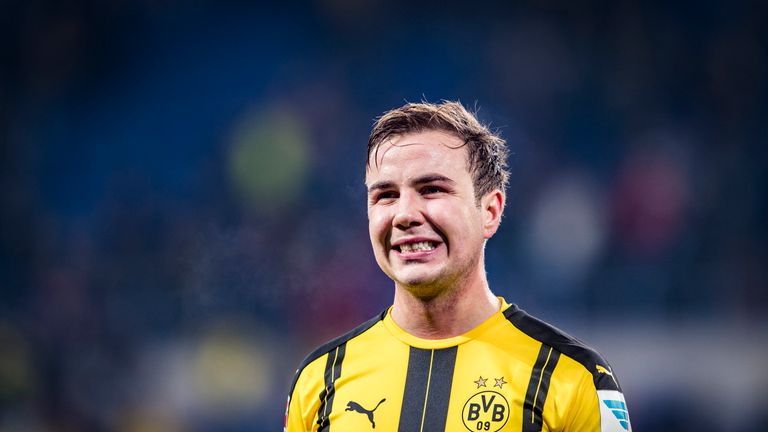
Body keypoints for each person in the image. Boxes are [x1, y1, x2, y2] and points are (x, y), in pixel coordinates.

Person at [284, 101, 631, 432]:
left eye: (432, 189)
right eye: (385, 195)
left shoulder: (572, 378)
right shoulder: (320, 380)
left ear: (490, 211)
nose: (404, 215)